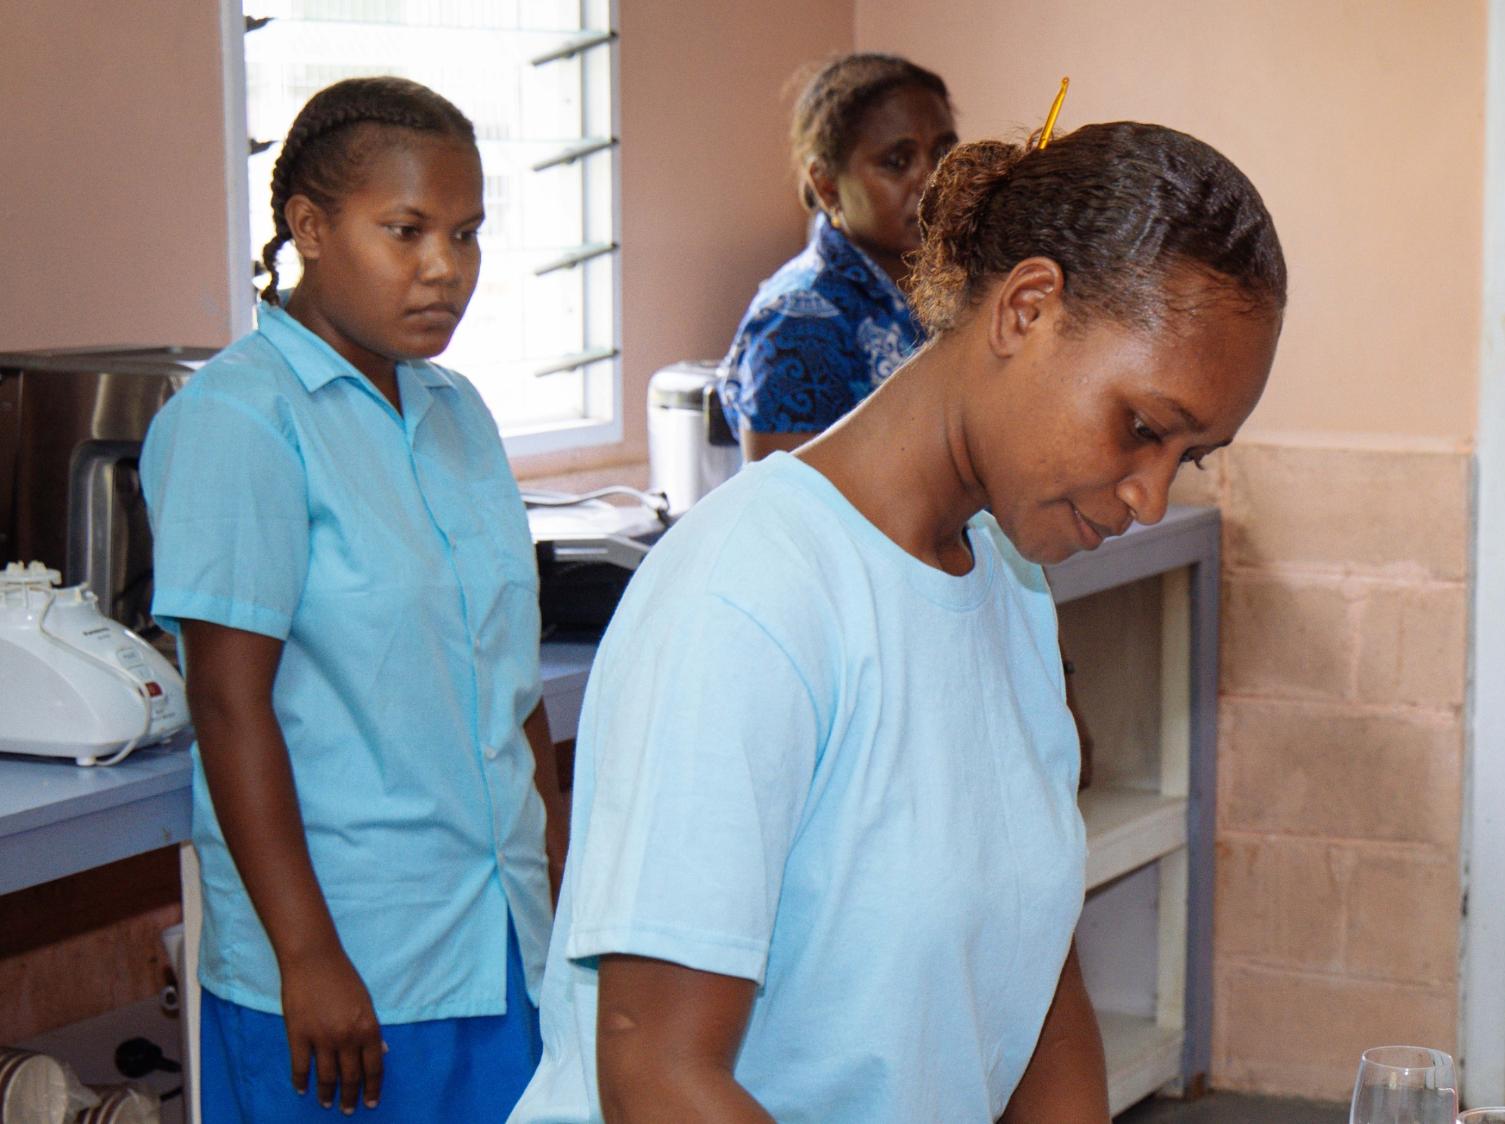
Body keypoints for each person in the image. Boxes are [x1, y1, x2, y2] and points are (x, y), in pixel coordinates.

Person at [508, 119, 1286, 1122]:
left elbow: (1031, 977)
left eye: (1186, 455)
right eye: (1140, 426)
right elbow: (658, 1073)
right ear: (1028, 307)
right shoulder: (751, 594)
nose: (1146, 495)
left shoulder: (1004, 581)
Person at [140, 76, 561, 1122]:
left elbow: (507, 682)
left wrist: (561, 883)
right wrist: (309, 953)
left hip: (499, 936)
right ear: (310, 226)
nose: (445, 269)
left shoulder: (458, 412)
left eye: (465, 235)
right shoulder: (241, 418)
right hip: (349, 967)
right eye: (406, 230)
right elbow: (231, 708)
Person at [717, 52, 958, 460]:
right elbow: (787, 511)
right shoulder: (796, 322)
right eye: (897, 162)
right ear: (827, 186)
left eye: (942, 153)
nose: (932, 181)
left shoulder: (956, 289)